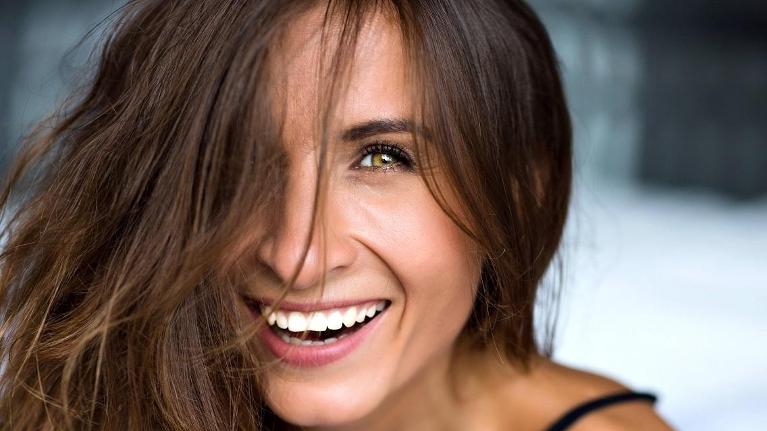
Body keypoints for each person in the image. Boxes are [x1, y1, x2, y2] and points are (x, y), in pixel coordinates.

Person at [0, 1, 673, 430]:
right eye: (236, 160)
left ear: (519, 192)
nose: (296, 252)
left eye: (382, 158)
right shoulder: (90, 398)